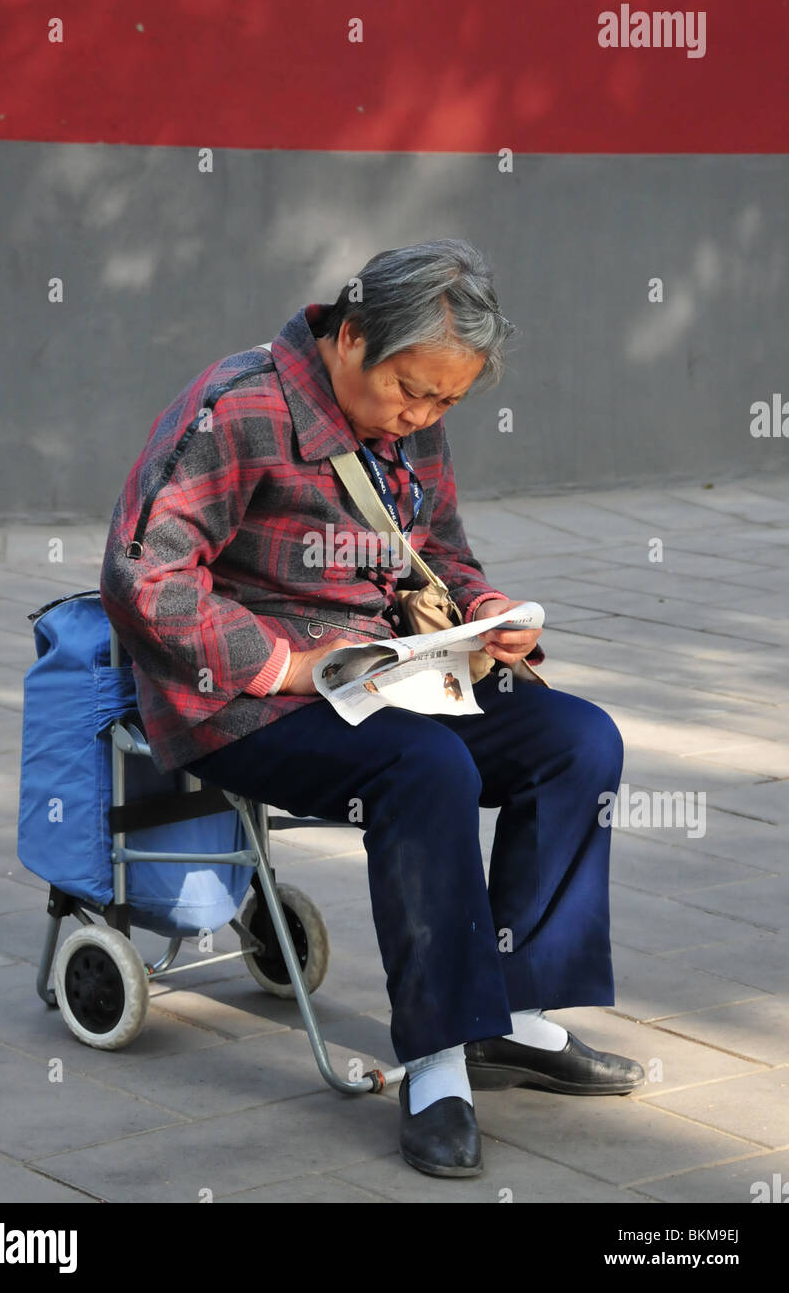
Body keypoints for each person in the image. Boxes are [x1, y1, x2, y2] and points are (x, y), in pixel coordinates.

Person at [100, 238, 644, 1180]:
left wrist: (483, 614)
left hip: (383, 672)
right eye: (411, 390)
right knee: (424, 767)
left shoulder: (409, 418)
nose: (423, 414)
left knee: (577, 741)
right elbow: (142, 577)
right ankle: (437, 1057)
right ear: (350, 336)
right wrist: (285, 666)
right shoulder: (235, 409)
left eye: (446, 401)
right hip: (243, 700)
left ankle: (508, 1014)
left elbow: (440, 547)